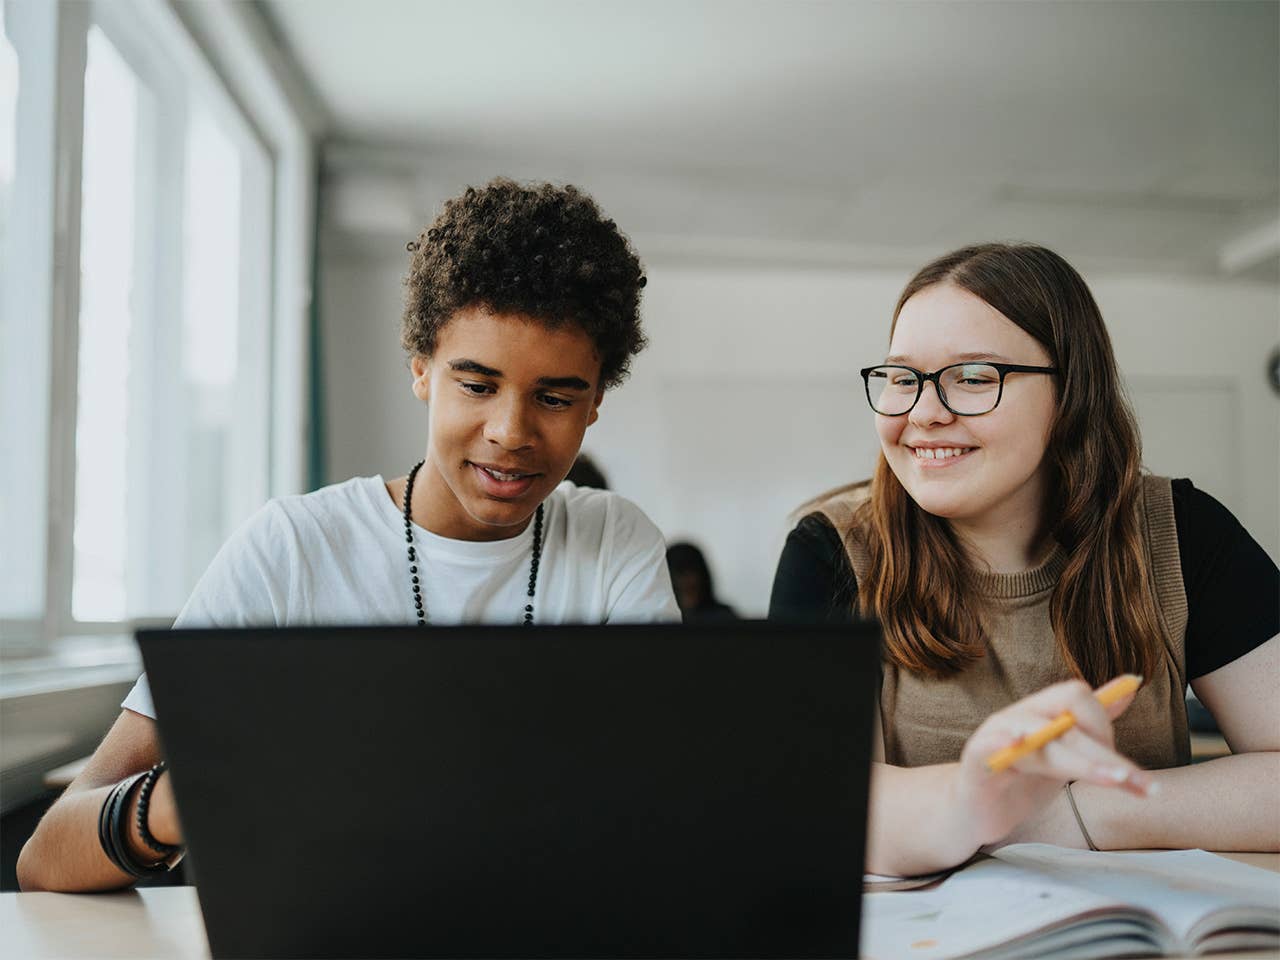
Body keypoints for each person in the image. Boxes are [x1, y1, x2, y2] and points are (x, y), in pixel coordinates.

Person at [18, 178, 681, 892]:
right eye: (477, 385)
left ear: (596, 403)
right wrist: (182, 803)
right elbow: (43, 859)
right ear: (421, 368)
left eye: (554, 397)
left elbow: (663, 809)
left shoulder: (616, 542)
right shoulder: (290, 549)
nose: (510, 433)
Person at [770, 243, 1279, 877]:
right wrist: (978, 796)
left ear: (1071, 394)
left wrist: (1075, 813)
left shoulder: (1181, 532)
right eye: (903, 379)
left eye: (975, 377)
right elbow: (819, 806)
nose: (924, 413)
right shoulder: (833, 551)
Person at [666, 541, 739, 621]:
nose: (686, 583)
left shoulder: (724, 618)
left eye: (691, 573)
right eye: (680, 574)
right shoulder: (658, 618)